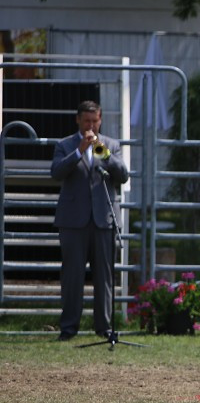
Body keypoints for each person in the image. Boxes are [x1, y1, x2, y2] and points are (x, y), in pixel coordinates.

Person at [50, 101, 130, 341]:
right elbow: (56, 173)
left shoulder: (111, 145)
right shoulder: (65, 145)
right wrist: (78, 152)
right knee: (72, 276)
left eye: (95, 121)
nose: (91, 126)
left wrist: (102, 151)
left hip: (103, 220)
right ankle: (69, 327)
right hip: (73, 222)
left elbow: (123, 175)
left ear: (100, 120)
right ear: (78, 120)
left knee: (104, 277)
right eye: (87, 121)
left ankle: (103, 327)